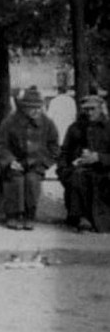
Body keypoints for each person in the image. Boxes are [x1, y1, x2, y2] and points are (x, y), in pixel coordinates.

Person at [0, 86, 60, 230]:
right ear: (23, 108)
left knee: (32, 181)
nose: (36, 110)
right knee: (15, 179)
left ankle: (30, 215)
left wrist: (42, 162)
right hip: (14, 163)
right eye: (32, 107)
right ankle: (12, 215)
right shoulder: (10, 122)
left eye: (39, 107)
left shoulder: (47, 123)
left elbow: (54, 148)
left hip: (36, 164)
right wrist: (10, 161)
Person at [56, 95, 110, 233]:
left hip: (104, 171)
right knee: (77, 177)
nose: (89, 113)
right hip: (79, 171)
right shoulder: (75, 128)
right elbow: (64, 152)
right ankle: (81, 217)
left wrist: (99, 157)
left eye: (93, 109)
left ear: (101, 109)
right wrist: (63, 170)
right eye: (86, 109)